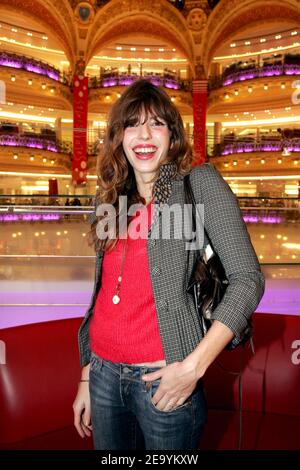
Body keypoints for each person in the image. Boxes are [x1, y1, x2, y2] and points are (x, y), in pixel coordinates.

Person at [73, 79, 265, 450]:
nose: (144, 134)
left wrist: (193, 368)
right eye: (132, 124)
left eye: (156, 123)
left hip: (165, 380)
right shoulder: (112, 199)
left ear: (172, 135)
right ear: (119, 136)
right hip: (102, 375)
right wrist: (86, 377)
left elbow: (247, 280)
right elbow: (103, 293)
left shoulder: (199, 183)